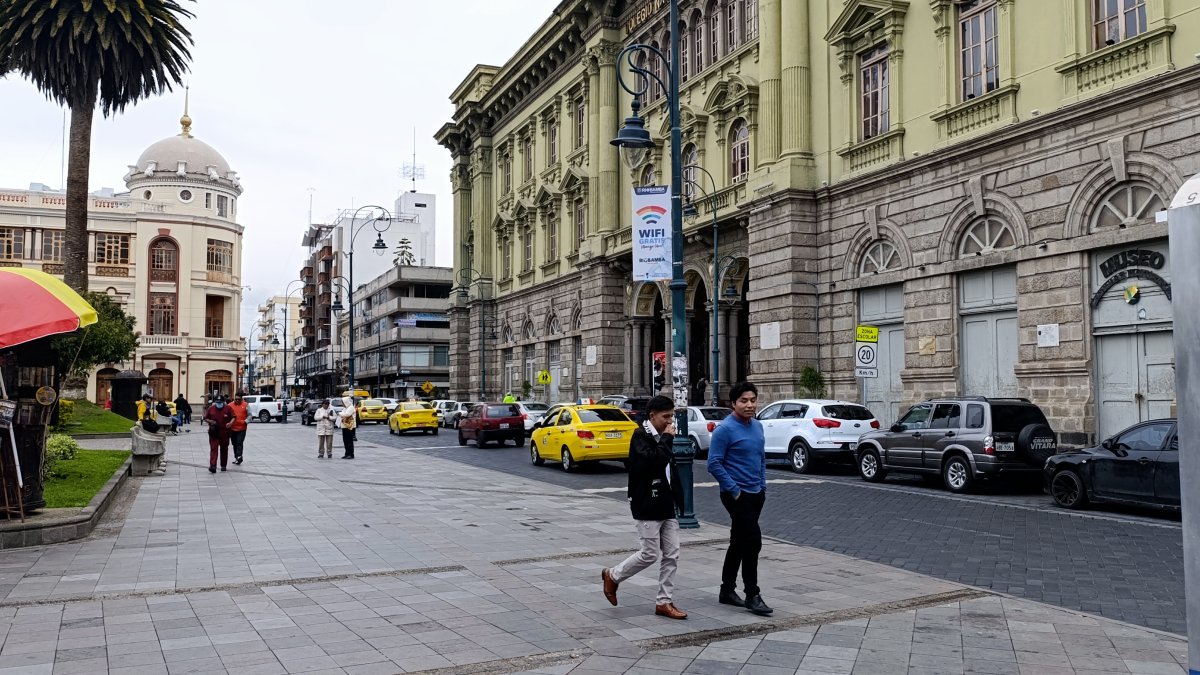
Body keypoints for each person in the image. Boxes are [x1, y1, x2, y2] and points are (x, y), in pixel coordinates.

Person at [601, 395, 687, 620]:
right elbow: (655, 463)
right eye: (665, 417)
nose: (670, 422)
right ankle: (613, 575)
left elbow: (670, 470)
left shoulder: (662, 435)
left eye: (672, 416)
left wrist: (679, 499)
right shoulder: (641, 436)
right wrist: (667, 439)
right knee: (649, 554)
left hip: (666, 502)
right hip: (647, 501)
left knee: (672, 554)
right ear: (652, 416)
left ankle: (664, 601)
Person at [706, 381, 772, 616]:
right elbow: (713, 463)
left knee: (739, 541)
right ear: (733, 403)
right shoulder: (725, 429)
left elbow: (760, 457)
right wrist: (734, 490)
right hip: (736, 495)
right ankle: (752, 594)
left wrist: (762, 484)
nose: (749, 405)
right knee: (753, 541)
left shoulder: (757, 427)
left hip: (756, 493)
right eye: (744, 400)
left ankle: (726, 590)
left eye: (753, 400)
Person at [203, 395, 235, 473]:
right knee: (214, 449)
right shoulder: (211, 409)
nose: (219, 404)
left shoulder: (228, 408)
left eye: (220, 402)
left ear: (223, 402)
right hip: (214, 433)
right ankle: (213, 465)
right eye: (217, 402)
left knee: (224, 449)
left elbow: (234, 417)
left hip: (225, 433)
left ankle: (223, 465)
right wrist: (211, 421)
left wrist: (230, 423)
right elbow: (205, 418)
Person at [228, 392, 250, 465]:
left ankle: (239, 457)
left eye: (239, 399)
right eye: (236, 399)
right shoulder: (230, 405)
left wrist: (245, 421)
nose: (237, 400)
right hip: (232, 428)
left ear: (242, 399)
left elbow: (250, 415)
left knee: (239, 443)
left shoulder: (246, 405)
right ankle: (236, 457)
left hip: (242, 428)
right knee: (234, 443)